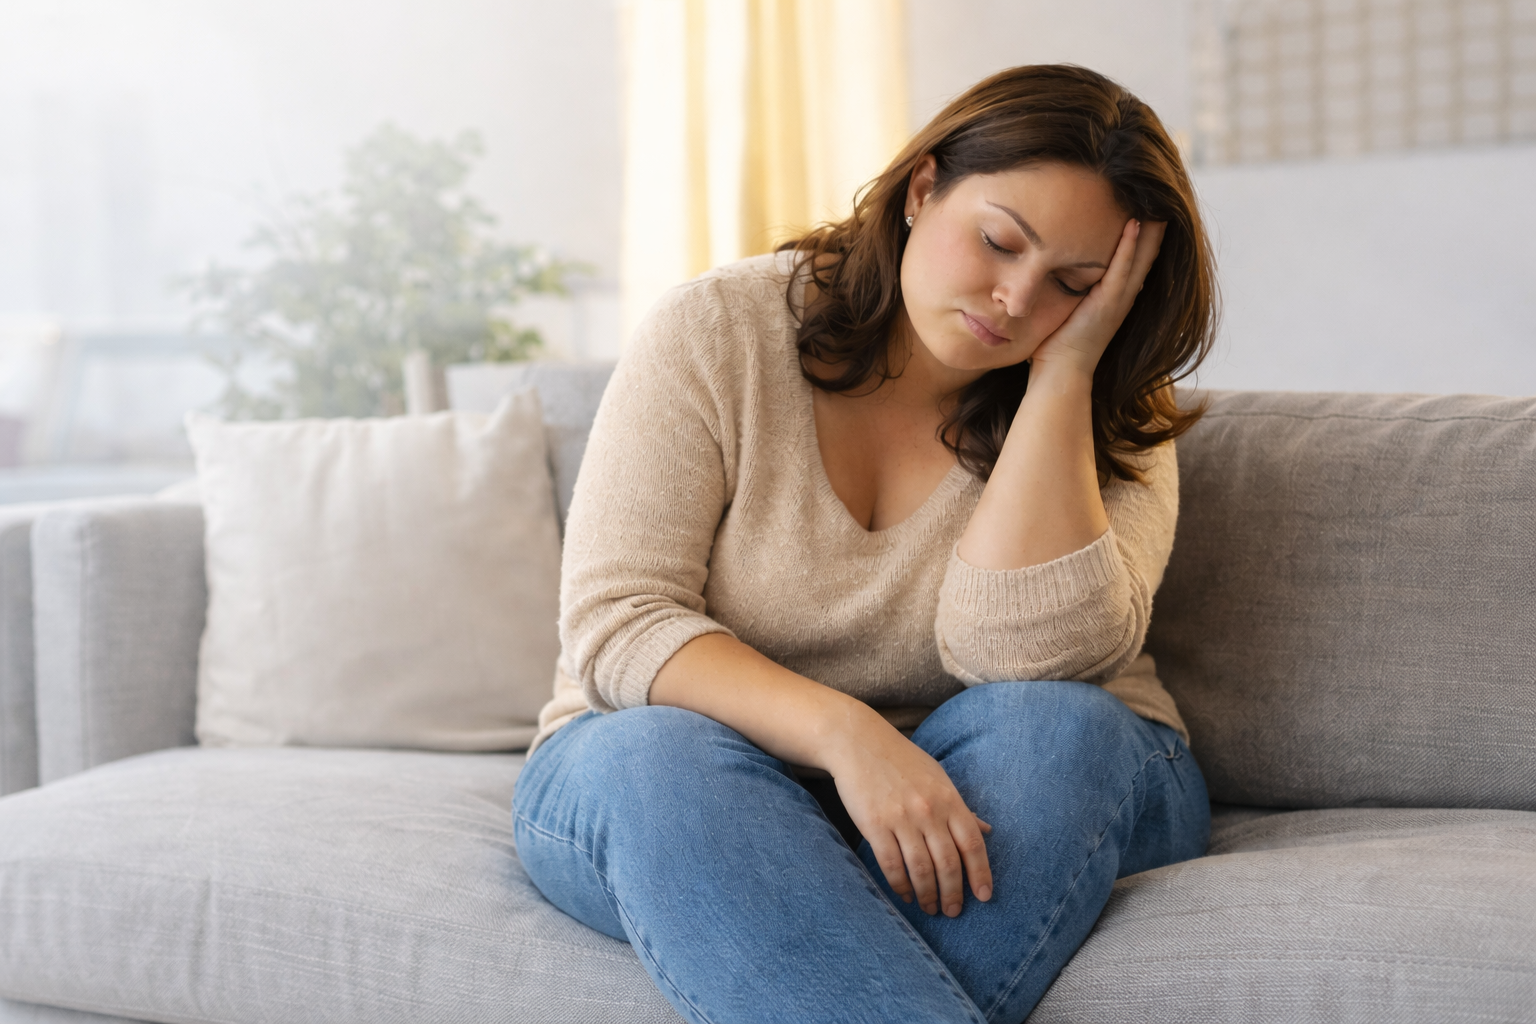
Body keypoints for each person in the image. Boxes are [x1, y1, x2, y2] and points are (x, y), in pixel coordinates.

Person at [512, 64, 1218, 1024]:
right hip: (697, 786)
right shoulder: (716, 332)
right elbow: (616, 620)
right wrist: (849, 736)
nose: (1015, 298)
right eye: (999, 241)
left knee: (1055, 727)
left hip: (1018, 781)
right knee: (651, 756)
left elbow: (1023, 660)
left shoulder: (1111, 406)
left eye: (1073, 285)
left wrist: (1063, 382)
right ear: (923, 187)